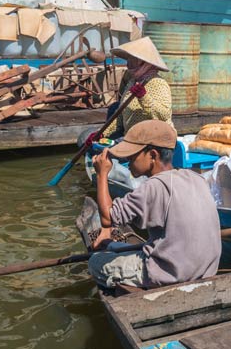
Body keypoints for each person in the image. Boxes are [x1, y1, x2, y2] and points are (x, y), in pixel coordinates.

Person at [89, 120, 221, 289]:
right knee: (118, 247)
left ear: (152, 155)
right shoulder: (196, 178)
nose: (128, 162)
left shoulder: (153, 186)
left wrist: (101, 175)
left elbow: (107, 219)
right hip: (205, 271)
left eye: (132, 156)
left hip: (170, 275)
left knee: (95, 262)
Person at [107, 36, 173, 136]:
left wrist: (143, 97)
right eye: (129, 61)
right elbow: (121, 114)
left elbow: (163, 115)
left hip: (153, 139)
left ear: (145, 63)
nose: (129, 66)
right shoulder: (132, 82)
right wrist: (103, 134)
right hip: (131, 137)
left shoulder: (158, 83)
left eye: (133, 62)